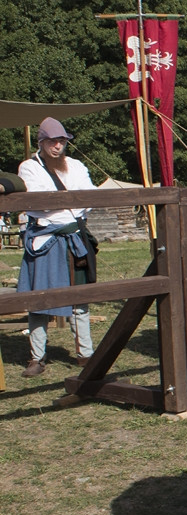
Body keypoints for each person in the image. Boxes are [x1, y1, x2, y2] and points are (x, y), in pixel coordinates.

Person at [16, 117, 99, 378]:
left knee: (79, 299)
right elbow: (41, 201)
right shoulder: (29, 167)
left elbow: (89, 195)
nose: (58, 146)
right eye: (53, 141)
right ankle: (37, 357)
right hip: (45, 242)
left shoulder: (76, 165)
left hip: (74, 238)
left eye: (62, 141)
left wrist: (69, 206)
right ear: (41, 142)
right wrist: (68, 203)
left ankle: (85, 354)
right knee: (39, 300)